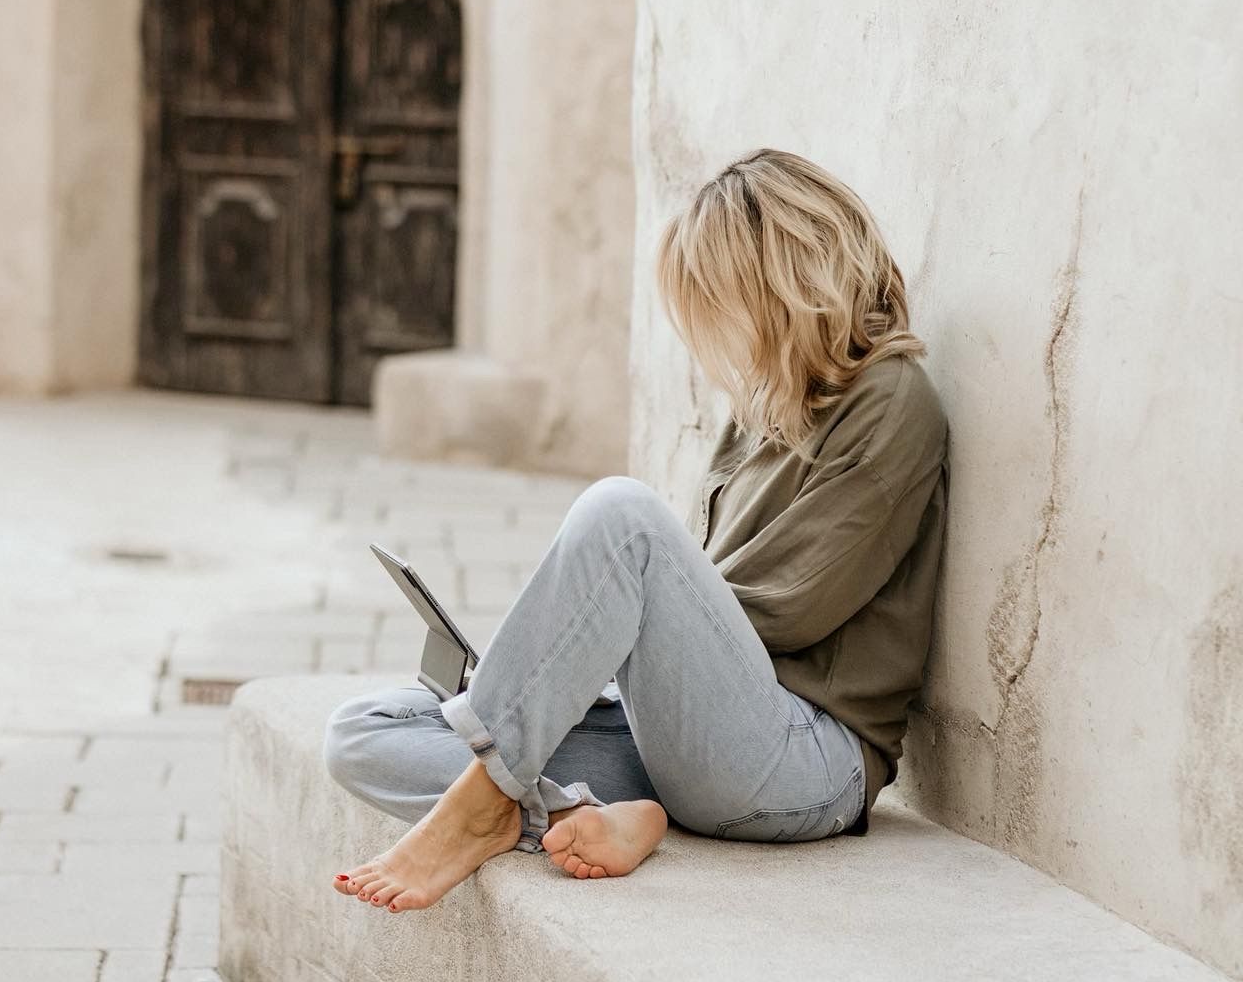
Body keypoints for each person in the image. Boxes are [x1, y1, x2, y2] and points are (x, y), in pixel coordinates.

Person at [324, 148, 949, 912]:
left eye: (719, 303)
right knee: (365, 730)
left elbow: (785, 612)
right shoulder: (767, 408)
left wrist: (591, 650)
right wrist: (557, 670)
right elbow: (694, 615)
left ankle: (483, 807)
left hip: (801, 760)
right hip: (693, 740)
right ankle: (574, 813)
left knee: (622, 516)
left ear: (784, 284)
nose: (711, 336)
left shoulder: (894, 402)